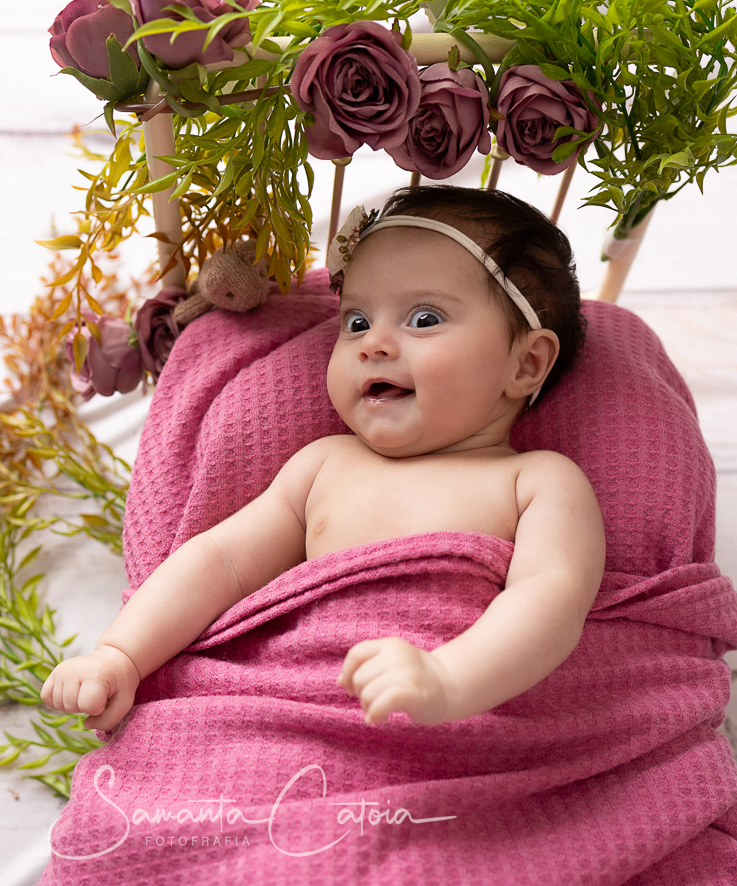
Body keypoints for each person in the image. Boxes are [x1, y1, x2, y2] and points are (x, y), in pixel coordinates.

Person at [42, 186, 606, 733]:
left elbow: (549, 602)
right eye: (357, 321)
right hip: (296, 705)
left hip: (459, 712)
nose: (373, 343)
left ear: (527, 363)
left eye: (425, 319)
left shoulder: (537, 483)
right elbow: (220, 562)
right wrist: (120, 654)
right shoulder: (322, 467)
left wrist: (447, 680)